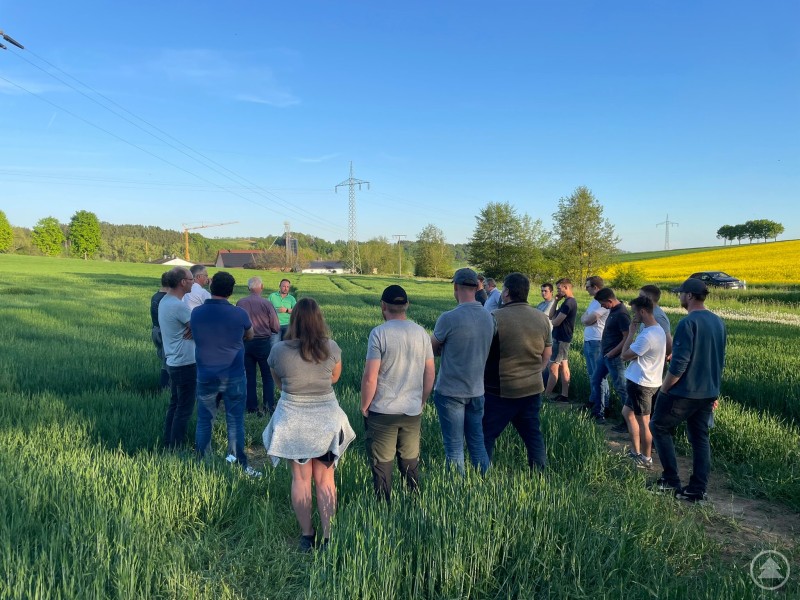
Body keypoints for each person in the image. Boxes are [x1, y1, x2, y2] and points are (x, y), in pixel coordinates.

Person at [263, 298, 355, 550]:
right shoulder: (331, 348)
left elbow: (280, 384)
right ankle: (328, 536)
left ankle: (307, 535)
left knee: (300, 480)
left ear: (293, 320)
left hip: (294, 424)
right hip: (325, 423)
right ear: (319, 320)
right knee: (325, 481)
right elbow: (334, 379)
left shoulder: (279, 351)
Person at [650, 278, 726, 502]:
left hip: (685, 392)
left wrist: (664, 389)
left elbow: (679, 363)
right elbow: (718, 360)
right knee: (699, 438)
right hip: (708, 391)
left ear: (690, 296)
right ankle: (697, 488)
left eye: (681, 293)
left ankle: (670, 480)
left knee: (658, 426)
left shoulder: (688, 323)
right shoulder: (718, 322)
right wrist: (715, 391)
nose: (679, 297)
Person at [360, 285, 435, 501]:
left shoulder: (379, 333)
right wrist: (421, 400)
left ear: (383, 306)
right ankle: (414, 502)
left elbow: (370, 377)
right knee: (410, 460)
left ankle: (384, 508)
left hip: (383, 411)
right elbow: (430, 373)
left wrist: (365, 405)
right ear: (407, 306)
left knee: (382, 463)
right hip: (411, 409)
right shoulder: (422, 333)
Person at [191, 272, 260, 476]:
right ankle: (238, 463)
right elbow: (250, 334)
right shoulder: (239, 314)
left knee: (204, 420)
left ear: (211, 287)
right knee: (235, 421)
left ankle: (202, 463)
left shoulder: (196, 313)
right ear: (231, 291)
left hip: (205, 375)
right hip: (234, 375)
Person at [482, 273, 552, 470]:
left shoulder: (495, 317)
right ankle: (539, 474)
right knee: (533, 435)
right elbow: (547, 354)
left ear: (506, 293)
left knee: (486, 434)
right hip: (532, 388)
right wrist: (536, 372)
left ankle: (482, 478)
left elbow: (482, 352)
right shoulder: (542, 318)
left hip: (500, 390)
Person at [430, 268, 494, 475]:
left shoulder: (448, 318)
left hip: (451, 391)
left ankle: (458, 491)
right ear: (477, 287)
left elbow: (432, 348)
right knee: (477, 444)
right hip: (477, 391)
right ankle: (484, 484)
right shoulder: (489, 317)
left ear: (456, 287)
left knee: (454, 448)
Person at [620, 296, 666, 469]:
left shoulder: (647, 336)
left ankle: (646, 459)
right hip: (646, 380)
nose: (633, 316)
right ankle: (635, 451)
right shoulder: (658, 330)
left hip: (642, 383)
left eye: (635, 312)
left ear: (643, 311)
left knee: (644, 422)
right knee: (627, 412)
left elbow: (624, 355)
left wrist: (631, 333)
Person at [158, 267, 197, 448]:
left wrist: (193, 328)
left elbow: (194, 327)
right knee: (184, 408)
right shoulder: (178, 305)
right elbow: (200, 330)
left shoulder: (165, 301)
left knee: (175, 405)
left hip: (173, 360)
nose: (193, 282)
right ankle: (176, 447)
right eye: (191, 280)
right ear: (182, 282)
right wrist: (194, 328)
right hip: (185, 362)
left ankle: (169, 442)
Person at [236, 276, 281, 416]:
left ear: (248, 288)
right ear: (262, 287)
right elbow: (275, 326)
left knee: (249, 375)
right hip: (263, 343)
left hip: (246, 343)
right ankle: (268, 405)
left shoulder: (240, 302)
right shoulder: (266, 303)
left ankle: (251, 406)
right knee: (267, 376)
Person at [589, 287, 631, 424]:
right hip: (605, 354)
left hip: (614, 357)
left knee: (621, 387)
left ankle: (628, 421)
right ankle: (598, 413)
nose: (602, 306)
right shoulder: (612, 310)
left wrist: (614, 352)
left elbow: (627, 337)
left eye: (602, 303)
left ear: (610, 300)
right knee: (596, 380)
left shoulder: (622, 314)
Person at [544, 278, 577, 402]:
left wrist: (551, 322)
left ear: (566, 288)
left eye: (559, 288)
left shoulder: (569, 303)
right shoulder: (565, 302)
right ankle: (564, 395)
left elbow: (555, 322)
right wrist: (556, 300)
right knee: (564, 366)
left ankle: (546, 395)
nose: (557, 291)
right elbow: (552, 315)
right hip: (561, 338)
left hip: (561, 339)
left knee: (553, 366)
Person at [580, 276, 610, 412]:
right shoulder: (594, 302)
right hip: (589, 341)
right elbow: (584, 318)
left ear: (595, 287)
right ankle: (594, 401)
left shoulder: (602, 302)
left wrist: (587, 319)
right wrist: (587, 319)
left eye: (587, 286)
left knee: (599, 376)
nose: (586, 289)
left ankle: (604, 406)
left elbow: (588, 319)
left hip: (597, 341)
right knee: (592, 374)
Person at [638, 285, 673, 358]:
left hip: (653, 364)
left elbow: (669, 343)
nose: (638, 298)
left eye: (640, 296)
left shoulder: (658, 316)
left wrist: (659, 357)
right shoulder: (648, 312)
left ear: (649, 298)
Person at [150, 271, 170, 389]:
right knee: (167, 363)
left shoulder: (156, 295)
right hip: (164, 333)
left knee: (164, 360)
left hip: (155, 330)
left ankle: (165, 389)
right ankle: (165, 388)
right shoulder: (165, 298)